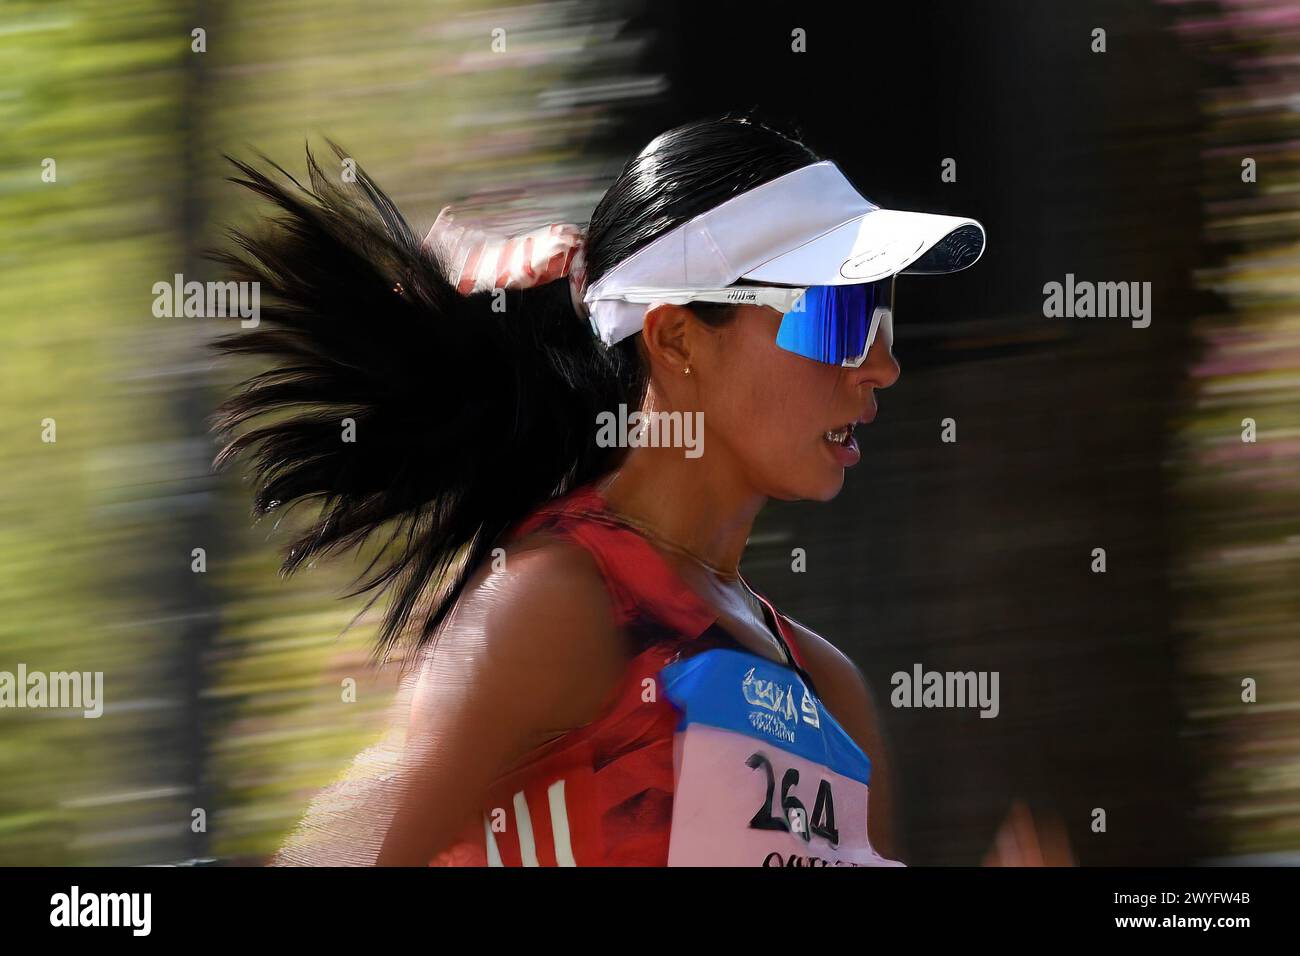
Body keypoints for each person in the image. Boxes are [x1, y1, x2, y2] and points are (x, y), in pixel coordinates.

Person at [213, 114, 987, 866]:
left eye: (881, 313)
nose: (880, 365)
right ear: (677, 338)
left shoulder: (834, 694)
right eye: (838, 314)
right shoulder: (553, 604)